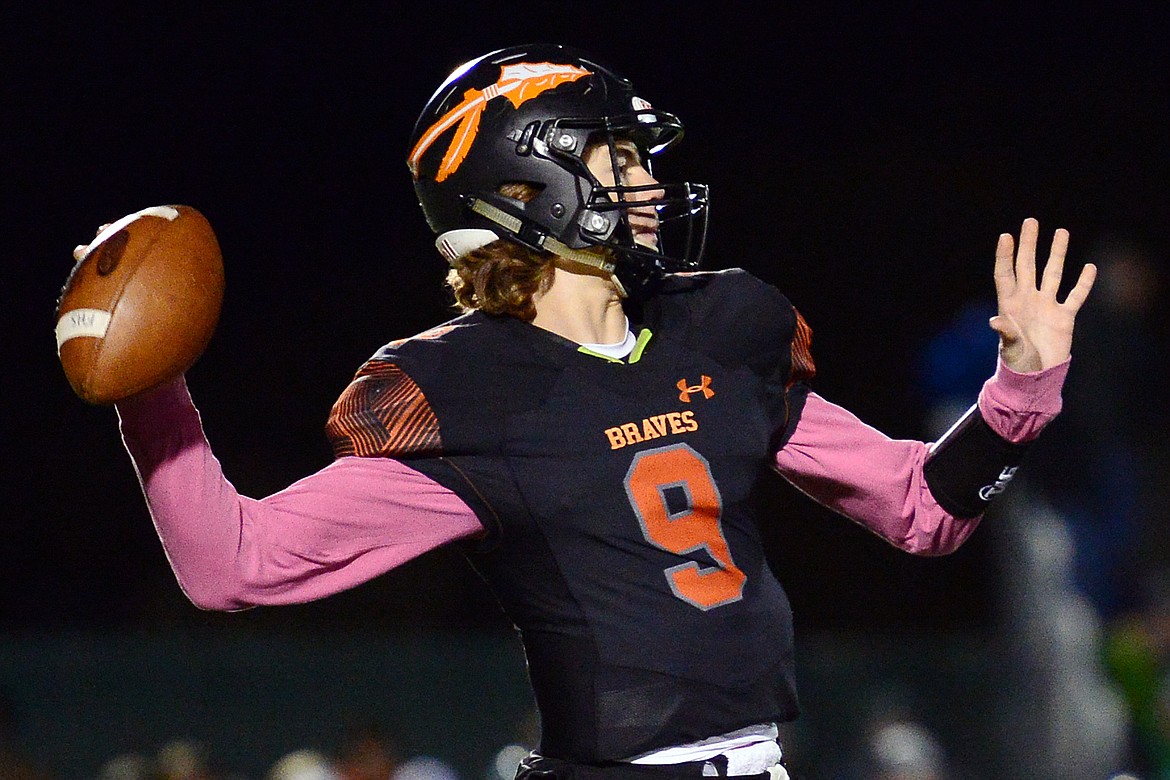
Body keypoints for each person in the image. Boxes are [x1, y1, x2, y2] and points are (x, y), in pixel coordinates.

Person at [76, 44, 1096, 780]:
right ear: (534, 182)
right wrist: (152, 393)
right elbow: (234, 567)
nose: (649, 181)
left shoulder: (722, 330)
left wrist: (1019, 391)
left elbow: (922, 510)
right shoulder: (464, 392)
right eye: (618, 159)